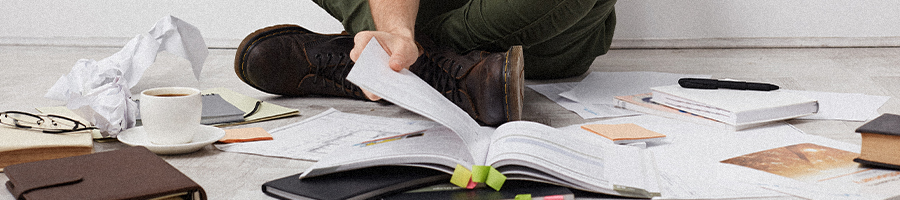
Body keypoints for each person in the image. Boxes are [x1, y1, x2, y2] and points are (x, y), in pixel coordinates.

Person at [234, 0, 617, 126]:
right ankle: (443, 70)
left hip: (542, 32)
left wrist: (404, 42)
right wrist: (398, 29)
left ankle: (387, 64)